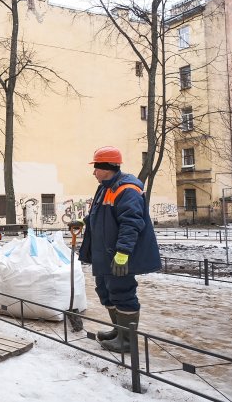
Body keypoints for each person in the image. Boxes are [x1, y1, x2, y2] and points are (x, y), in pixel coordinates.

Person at [69, 146, 161, 353]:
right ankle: (119, 331)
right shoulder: (105, 187)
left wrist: (123, 253)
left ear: (106, 167)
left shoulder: (126, 189)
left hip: (118, 255)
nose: (93, 172)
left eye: (96, 168)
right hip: (105, 252)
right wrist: (83, 222)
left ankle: (127, 341)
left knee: (122, 293)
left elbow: (131, 223)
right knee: (106, 291)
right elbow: (100, 214)